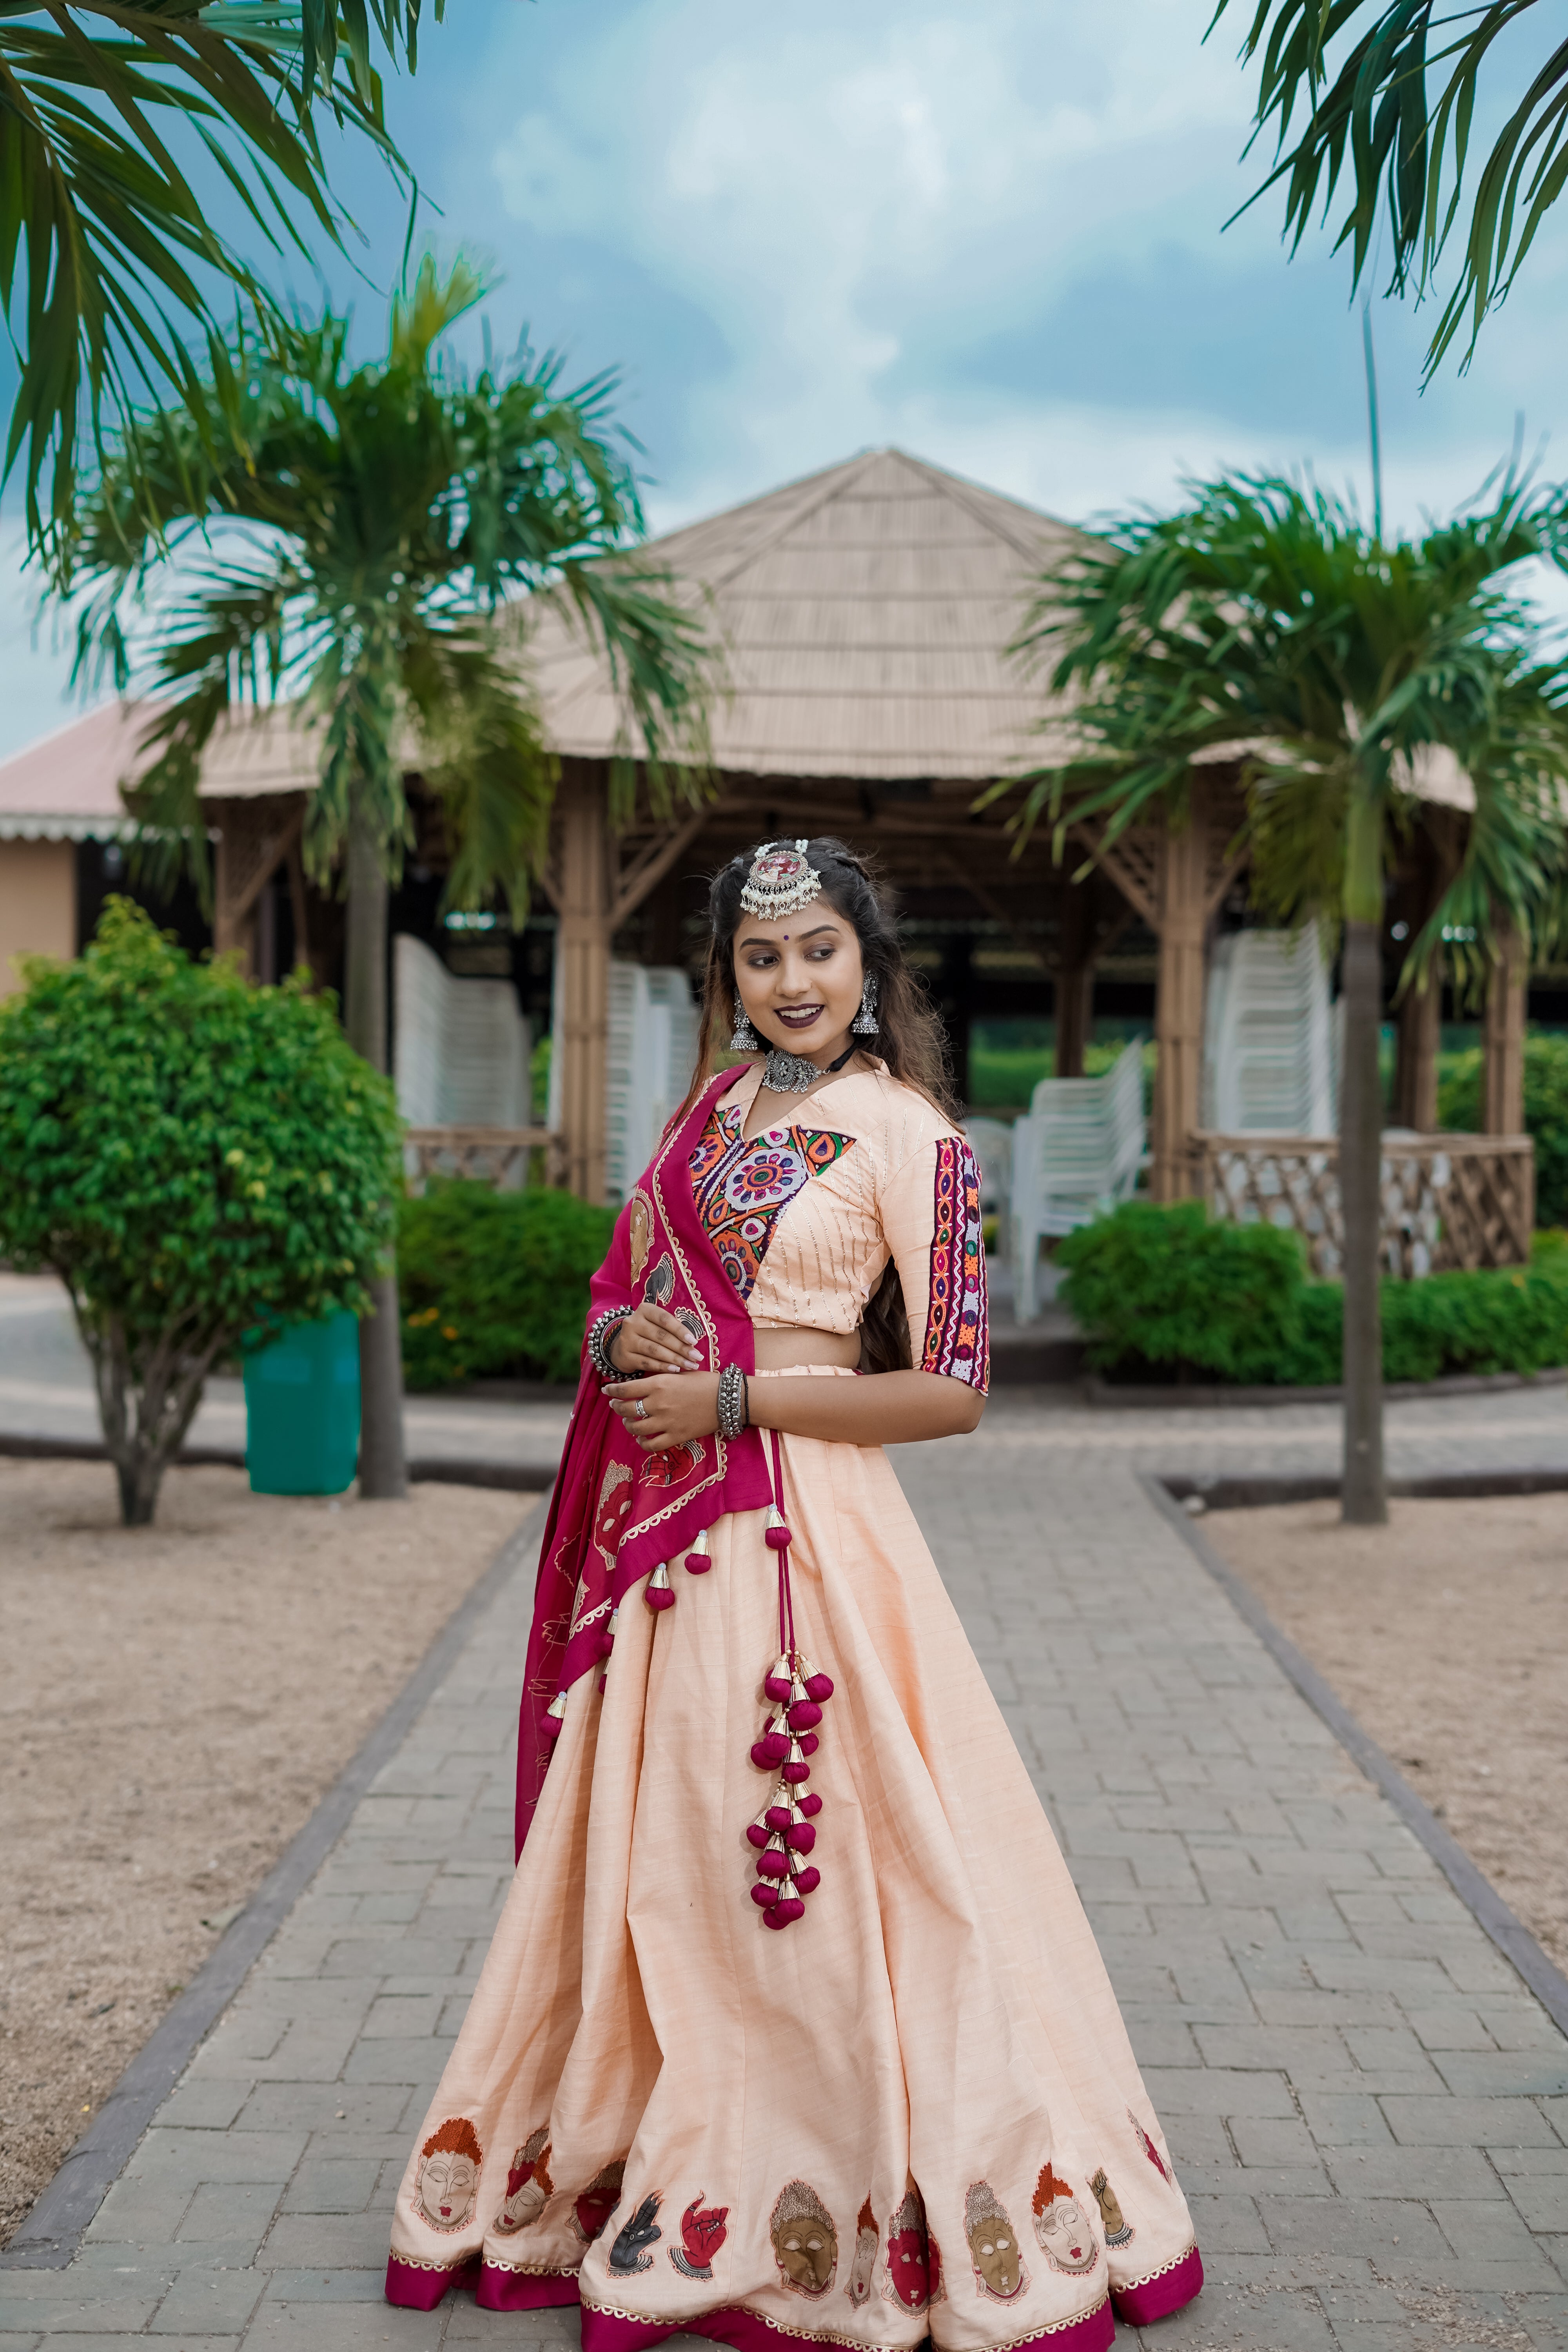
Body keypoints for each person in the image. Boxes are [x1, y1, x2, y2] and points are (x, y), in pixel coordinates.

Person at [385, 838, 1203, 2350]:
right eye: (762, 959)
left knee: (835, 1847)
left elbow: (951, 1395)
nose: (792, 982)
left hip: (807, 1531)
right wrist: (631, 1344)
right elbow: (635, 1286)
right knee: (672, 1843)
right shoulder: (702, 1117)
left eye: (819, 949)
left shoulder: (917, 1143)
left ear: (869, 960)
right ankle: (663, 2138)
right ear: (732, 979)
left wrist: (739, 1405)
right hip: (672, 1538)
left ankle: (840, 2176)